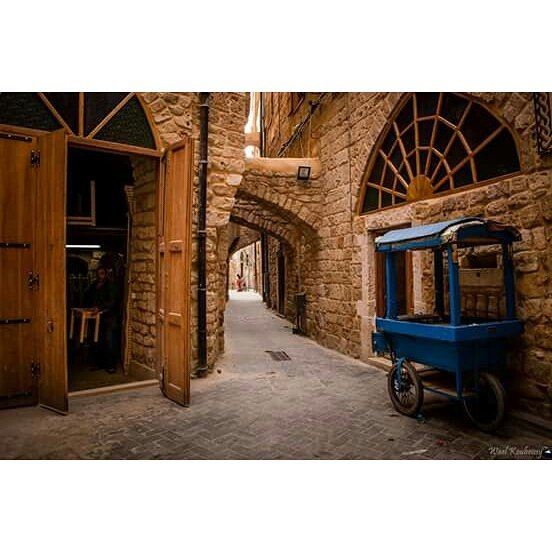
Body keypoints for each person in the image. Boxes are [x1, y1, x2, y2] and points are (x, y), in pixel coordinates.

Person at [84, 266, 120, 373]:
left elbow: (112, 302)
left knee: (109, 341)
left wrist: (100, 308)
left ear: (105, 274)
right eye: (98, 274)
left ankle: (111, 365)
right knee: (97, 340)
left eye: (102, 273)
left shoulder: (111, 285)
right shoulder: (94, 285)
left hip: (109, 317)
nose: (100, 276)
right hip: (97, 318)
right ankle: (99, 364)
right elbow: (88, 296)